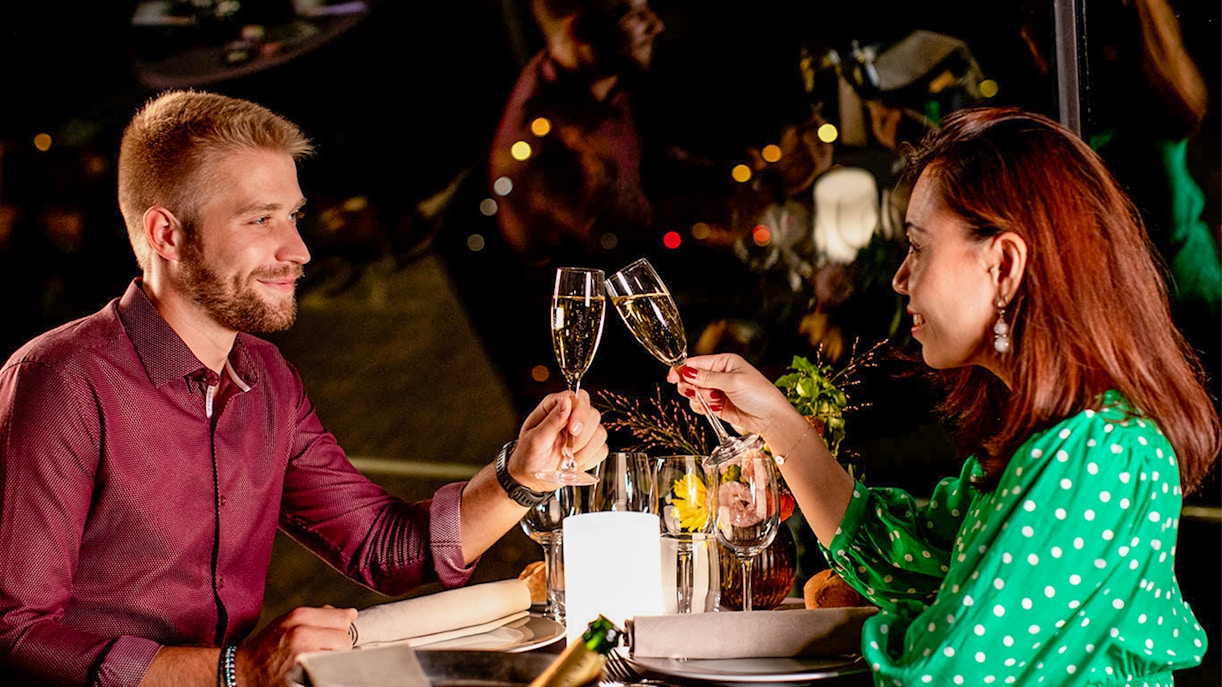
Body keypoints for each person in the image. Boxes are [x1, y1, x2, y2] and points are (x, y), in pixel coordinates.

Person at [0, 89, 608, 687]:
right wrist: (235, 672)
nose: (298, 250)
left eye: (292, 216)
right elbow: (14, 633)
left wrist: (522, 476)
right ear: (166, 235)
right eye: (260, 219)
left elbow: (383, 547)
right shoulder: (60, 381)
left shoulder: (267, 379)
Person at [668, 107, 1219, 685]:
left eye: (917, 247)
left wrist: (854, 628)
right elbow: (898, 556)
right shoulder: (1062, 441)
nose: (899, 277)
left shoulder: (1096, 453)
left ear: (1003, 265)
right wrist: (776, 421)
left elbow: (939, 673)